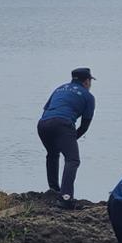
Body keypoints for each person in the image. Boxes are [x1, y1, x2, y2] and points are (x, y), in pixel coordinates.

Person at [37, 68, 96, 209]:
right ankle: (66, 198)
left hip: (43, 124)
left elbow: (47, 109)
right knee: (72, 160)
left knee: (52, 154)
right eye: (90, 81)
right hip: (63, 124)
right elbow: (84, 126)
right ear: (87, 81)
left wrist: (67, 140)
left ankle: (54, 190)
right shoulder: (88, 96)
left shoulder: (60, 88)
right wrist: (70, 139)